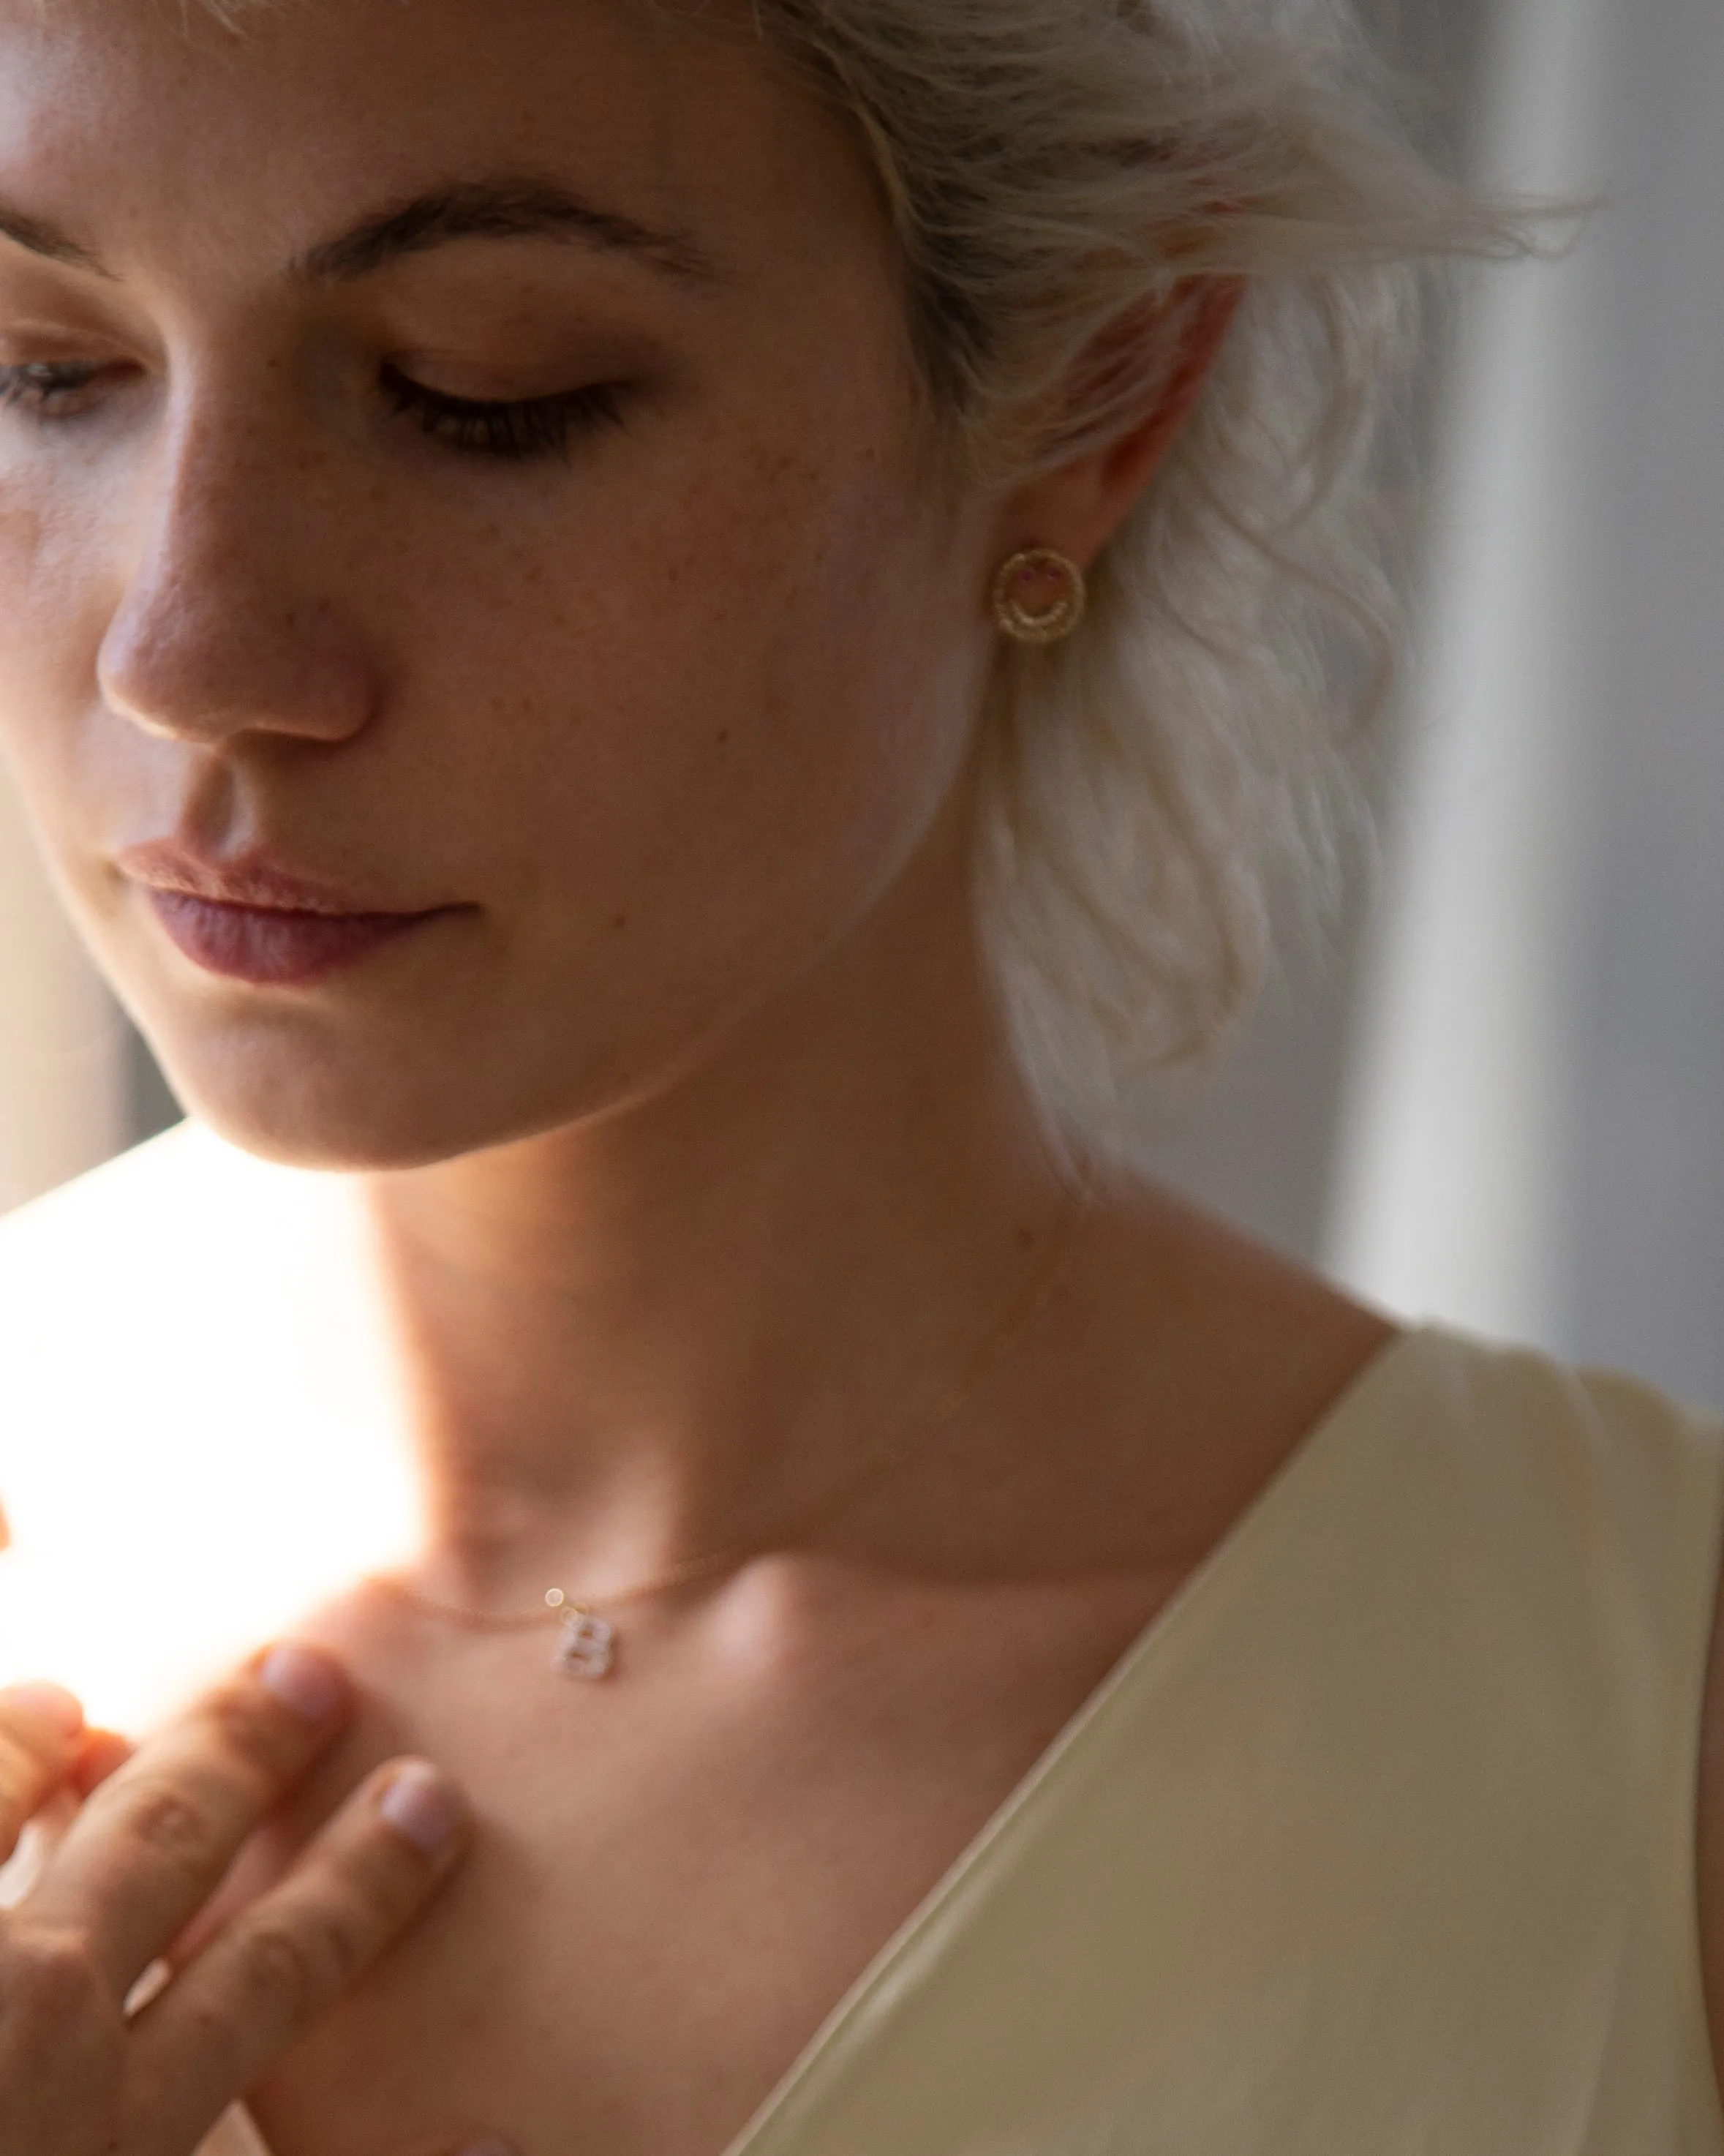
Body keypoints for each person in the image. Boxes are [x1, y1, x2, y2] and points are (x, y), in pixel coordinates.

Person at [0, 0, 1719, 2151]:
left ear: (1097, 393)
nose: (186, 649)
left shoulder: (1644, 1741)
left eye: (480, 396)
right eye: (44, 367)